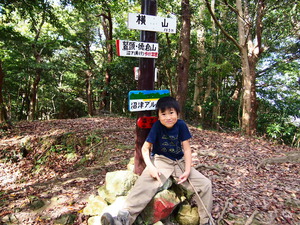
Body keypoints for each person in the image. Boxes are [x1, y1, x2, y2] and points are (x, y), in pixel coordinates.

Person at [101, 96, 213, 225]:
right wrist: (151, 168)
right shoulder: (157, 126)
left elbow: (187, 149)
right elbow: (145, 149)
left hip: (179, 162)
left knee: (205, 184)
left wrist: (187, 170)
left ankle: (206, 221)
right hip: (161, 160)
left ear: (177, 113)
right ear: (159, 116)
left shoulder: (181, 125)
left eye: (171, 113)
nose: (168, 117)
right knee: (144, 184)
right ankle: (123, 219)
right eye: (163, 114)